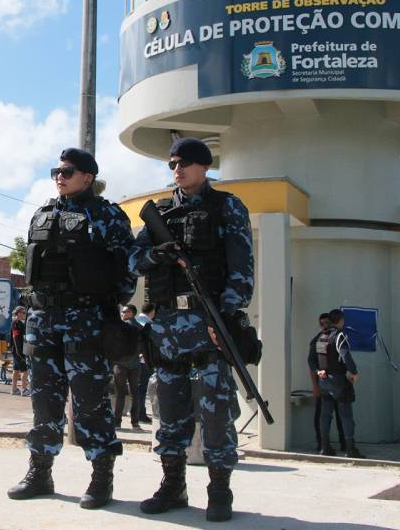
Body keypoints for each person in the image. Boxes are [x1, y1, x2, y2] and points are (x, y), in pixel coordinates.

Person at [7, 147, 137, 509]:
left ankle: (101, 477)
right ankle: (40, 472)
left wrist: (104, 305)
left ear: (88, 177)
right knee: (43, 401)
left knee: (90, 403)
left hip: (86, 322)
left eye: (67, 171)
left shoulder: (108, 216)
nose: (59, 176)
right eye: (56, 171)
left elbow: (127, 270)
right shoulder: (42, 214)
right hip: (43, 320)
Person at [131, 137, 254, 522]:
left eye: (184, 163)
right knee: (168, 411)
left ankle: (219, 489)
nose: (177, 170)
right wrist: (156, 254)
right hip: (166, 327)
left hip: (208, 323)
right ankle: (173, 486)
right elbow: (134, 262)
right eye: (172, 165)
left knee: (216, 410)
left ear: (204, 166)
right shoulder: (160, 214)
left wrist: (227, 318)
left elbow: (241, 270)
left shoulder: (227, 207)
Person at [308, 309, 365, 459]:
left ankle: (325, 447)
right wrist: (353, 372)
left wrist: (318, 370)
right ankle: (350, 449)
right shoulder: (339, 335)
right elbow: (345, 354)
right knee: (346, 415)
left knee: (325, 415)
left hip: (324, 381)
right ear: (340, 320)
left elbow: (311, 359)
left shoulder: (319, 337)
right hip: (338, 380)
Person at [308, 312, 345, 454]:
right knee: (323, 416)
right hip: (324, 384)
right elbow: (313, 363)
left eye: (327, 323)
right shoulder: (320, 340)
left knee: (342, 415)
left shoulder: (337, 337)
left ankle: (344, 444)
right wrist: (315, 386)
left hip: (338, 383)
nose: (325, 326)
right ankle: (322, 444)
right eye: (322, 323)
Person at [112, 304, 144, 429]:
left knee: (120, 394)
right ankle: (135, 422)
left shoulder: (120, 327)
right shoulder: (140, 327)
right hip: (135, 364)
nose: (122, 314)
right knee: (135, 393)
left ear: (131, 312)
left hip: (120, 364)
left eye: (124, 311)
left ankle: (117, 422)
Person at [132, 303, 155, 425]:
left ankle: (136, 413)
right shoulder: (149, 325)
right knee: (142, 388)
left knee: (136, 388)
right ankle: (140, 413)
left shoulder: (134, 321)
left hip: (133, 359)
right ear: (152, 311)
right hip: (144, 360)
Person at [10, 306, 29, 396]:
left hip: (16, 351)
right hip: (18, 351)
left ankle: (14, 389)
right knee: (24, 370)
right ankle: (24, 389)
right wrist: (20, 353)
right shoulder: (17, 323)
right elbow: (16, 338)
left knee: (16, 369)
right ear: (18, 313)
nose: (24, 314)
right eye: (23, 312)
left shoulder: (17, 323)